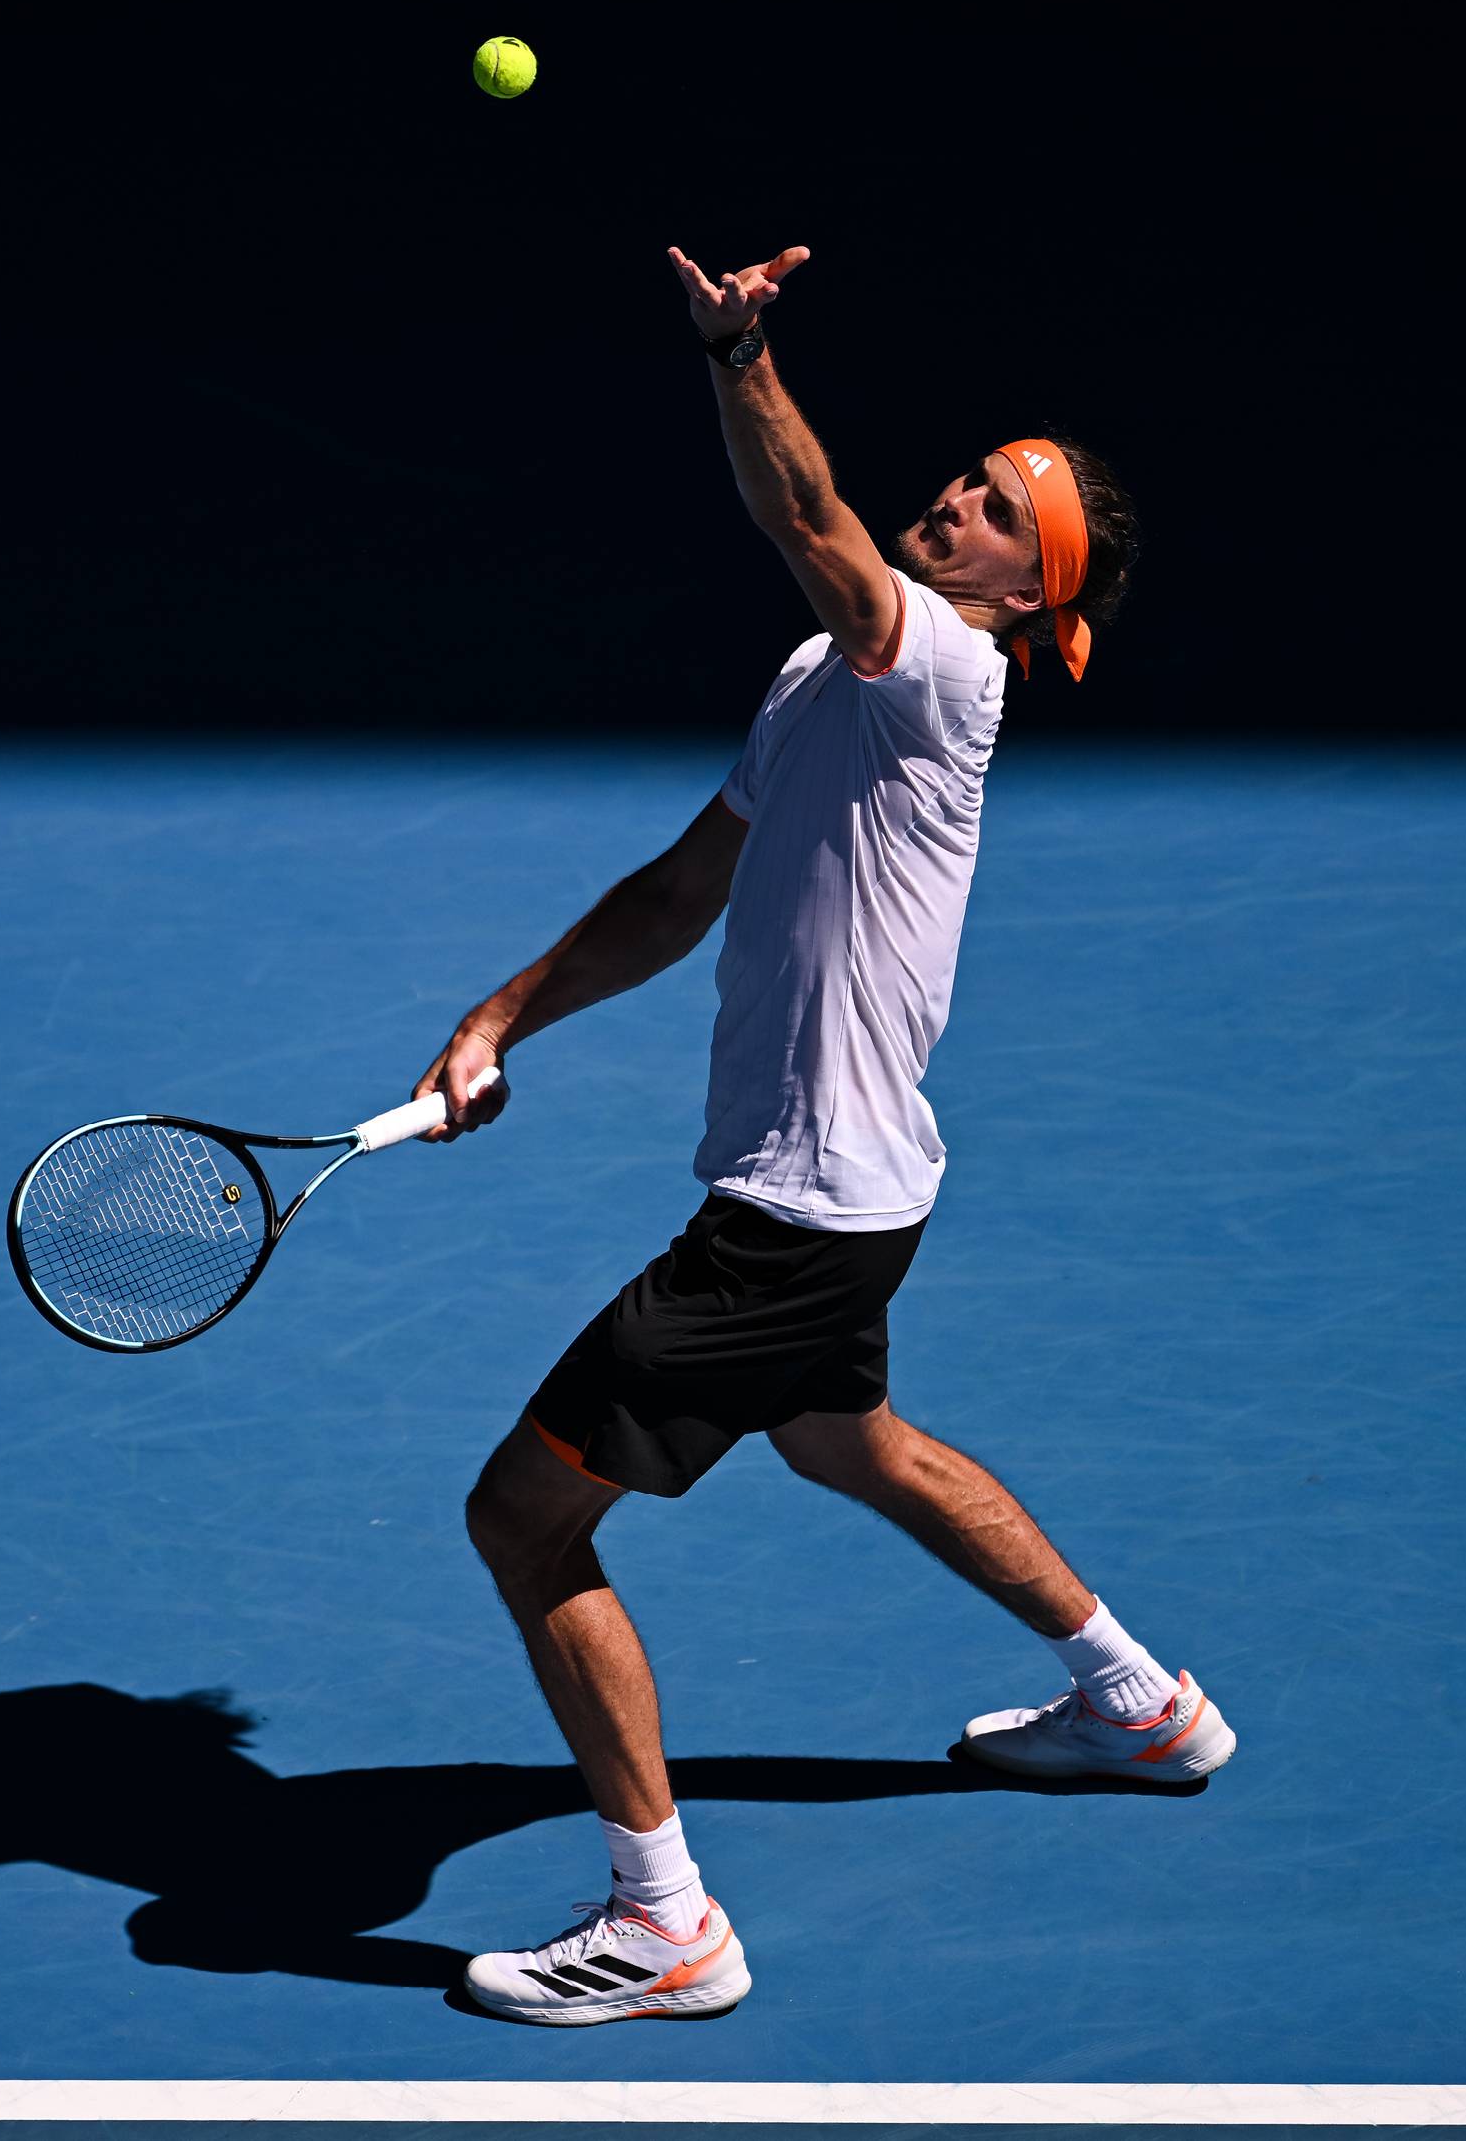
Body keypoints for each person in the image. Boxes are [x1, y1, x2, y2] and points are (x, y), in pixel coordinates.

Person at [407, 244, 1228, 2027]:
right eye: (966, 477)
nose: (955, 500)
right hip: (862, 1198)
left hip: (786, 1222)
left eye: (994, 507)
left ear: (1024, 590)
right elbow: (681, 887)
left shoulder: (940, 672)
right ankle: (1143, 1702)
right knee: (852, 1446)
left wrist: (737, 356)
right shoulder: (822, 673)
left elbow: (806, 515)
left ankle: (665, 1921)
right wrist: (500, 1016)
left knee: (522, 1523)